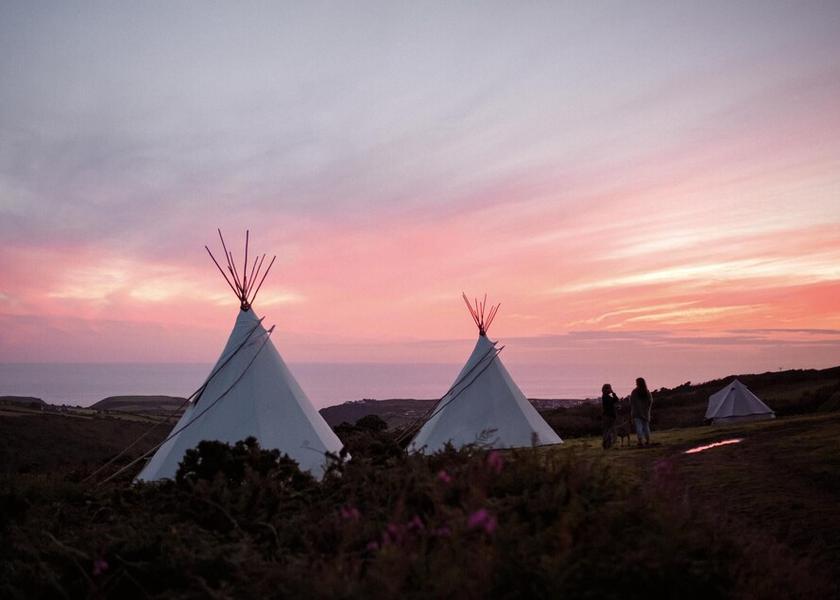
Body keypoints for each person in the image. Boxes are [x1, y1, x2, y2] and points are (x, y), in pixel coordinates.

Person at [630, 377, 653, 446]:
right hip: (645, 413)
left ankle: (640, 441)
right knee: (646, 427)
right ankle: (648, 441)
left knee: (639, 427)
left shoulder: (634, 392)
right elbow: (650, 401)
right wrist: (647, 409)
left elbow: (632, 402)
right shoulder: (646, 391)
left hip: (637, 413)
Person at [601, 383, 619, 449]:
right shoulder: (607, 397)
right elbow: (616, 400)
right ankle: (606, 443)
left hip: (606, 415)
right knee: (609, 430)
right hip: (610, 415)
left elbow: (615, 400)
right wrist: (613, 393)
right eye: (610, 388)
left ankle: (607, 444)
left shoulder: (605, 396)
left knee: (607, 430)